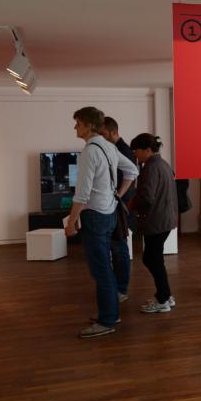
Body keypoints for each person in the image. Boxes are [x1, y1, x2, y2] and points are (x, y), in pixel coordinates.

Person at [65, 106, 138, 339]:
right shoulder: (108, 146)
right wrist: (118, 193)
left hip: (95, 216)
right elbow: (132, 170)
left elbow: (82, 193)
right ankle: (110, 313)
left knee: (101, 270)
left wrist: (71, 221)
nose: (75, 127)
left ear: (88, 125)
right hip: (109, 213)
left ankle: (107, 320)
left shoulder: (89, 151)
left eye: (78, 123)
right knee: (104, 267)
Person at [128, 133, 178, 314]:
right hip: (165, 219)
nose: (135, 155)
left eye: (137, 151)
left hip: (156, 221)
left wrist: (132, 204)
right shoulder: (163, 164)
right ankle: (165, 295)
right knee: (154, 258)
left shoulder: (150, 168)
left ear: (147, 150)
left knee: (151, 258)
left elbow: (147, 197)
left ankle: (163, 299)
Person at [100, 116, 137, 303]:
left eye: (103, 133)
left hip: (119, 207)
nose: (101, 136)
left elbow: (129, 179)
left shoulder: (122, 151)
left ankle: (121, 289)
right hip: (116, 205)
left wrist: (117, 196)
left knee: (119, 247)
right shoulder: (116, 149)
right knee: (117, 247)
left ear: (113, 132)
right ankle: (118, 287)